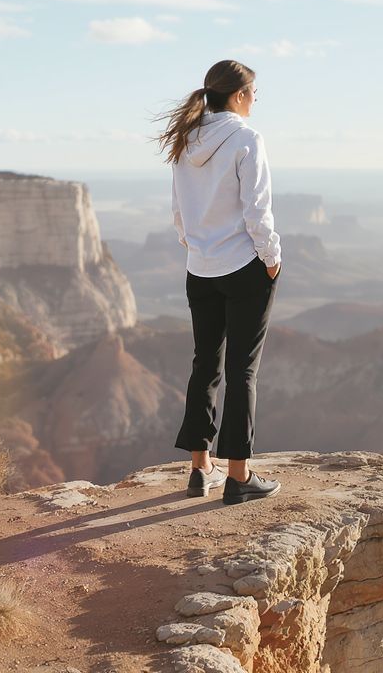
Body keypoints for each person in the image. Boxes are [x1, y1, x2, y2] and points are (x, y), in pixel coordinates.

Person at [155, 60, 282, 505]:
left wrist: (194, 246)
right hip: (244, 266)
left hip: (200, 267)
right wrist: (271, 259)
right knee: (242, 370)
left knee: (204, 364)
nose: (254, 102)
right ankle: (239, 476)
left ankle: (199, 468)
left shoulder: (186, 138)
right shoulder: (247, 138)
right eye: (253, 94)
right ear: (240, 95)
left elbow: (177, 209)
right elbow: (257, 208)